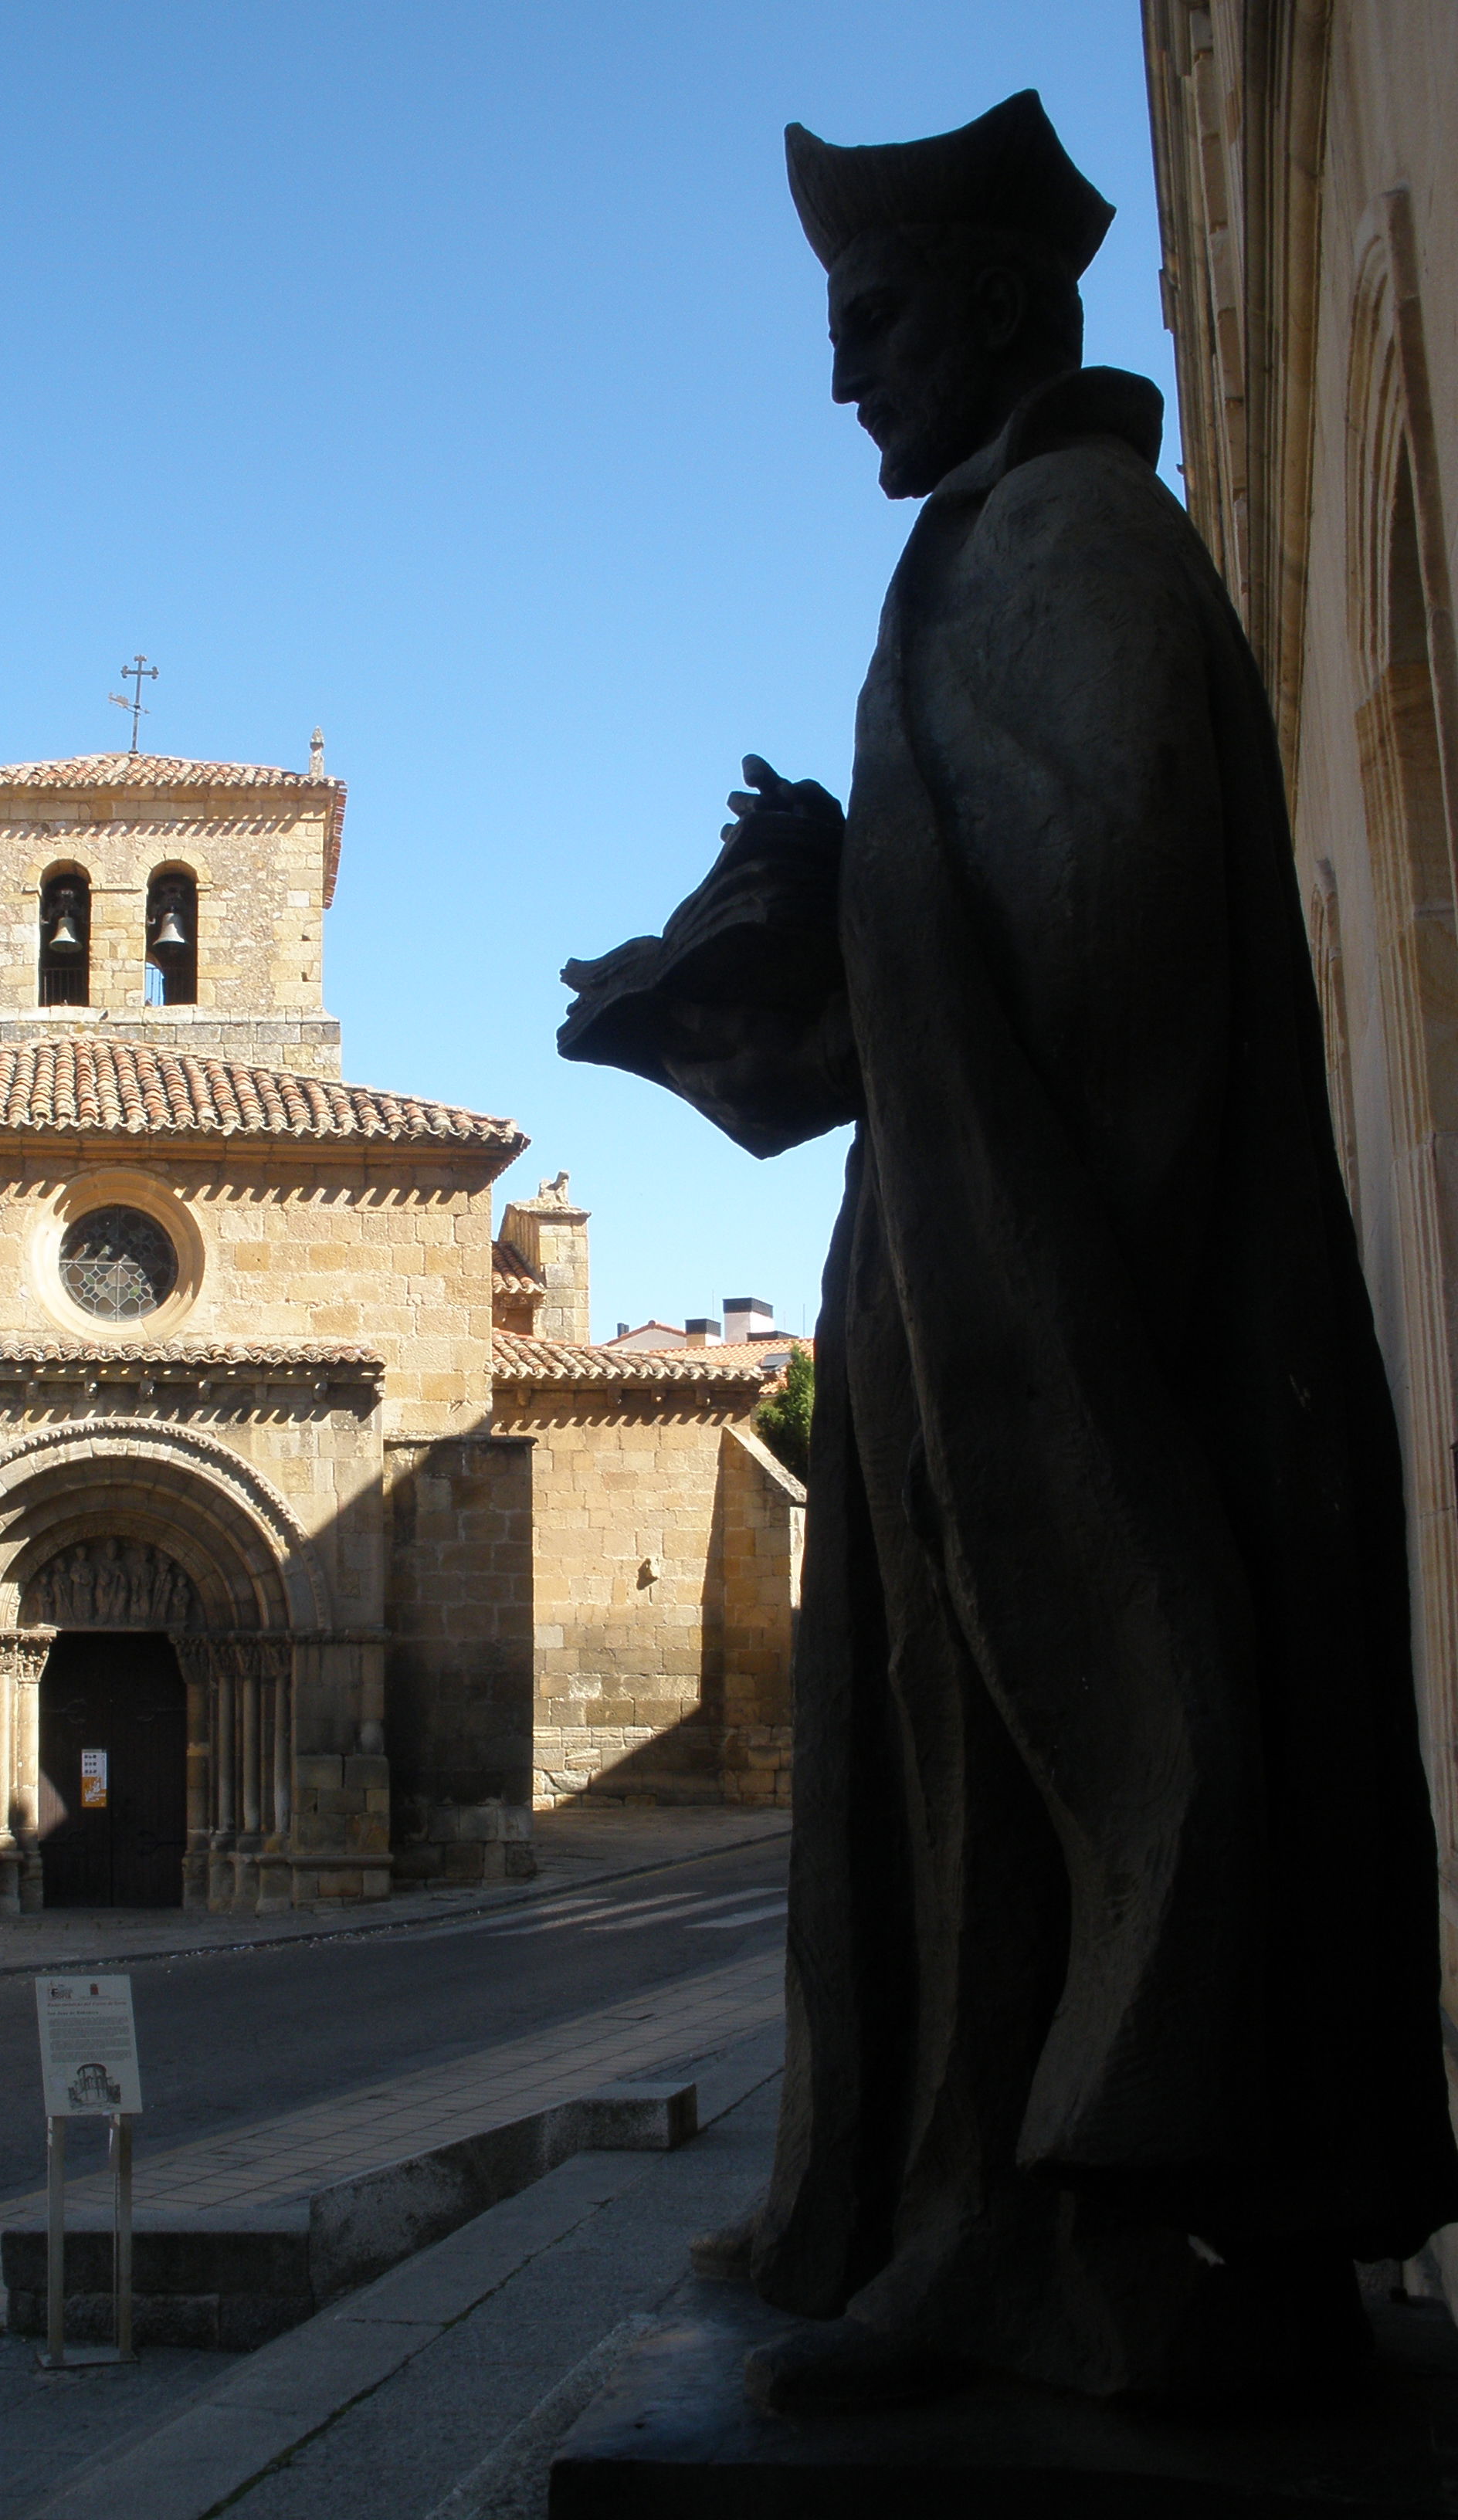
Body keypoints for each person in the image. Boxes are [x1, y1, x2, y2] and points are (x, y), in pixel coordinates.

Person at [559, 90, 1458, 2407]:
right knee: (951, 1779)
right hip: (982, 1276)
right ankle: (948, 2219)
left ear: (978, 314)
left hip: (1061, 1319)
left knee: (1013, 1775)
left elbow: (1117, 901)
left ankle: (1026, 2244)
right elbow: (1037, 887)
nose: (842, 378)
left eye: (867, 324)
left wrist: (844, 902)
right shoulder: (1003, 541)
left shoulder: (1073, 542)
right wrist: (836, 881)